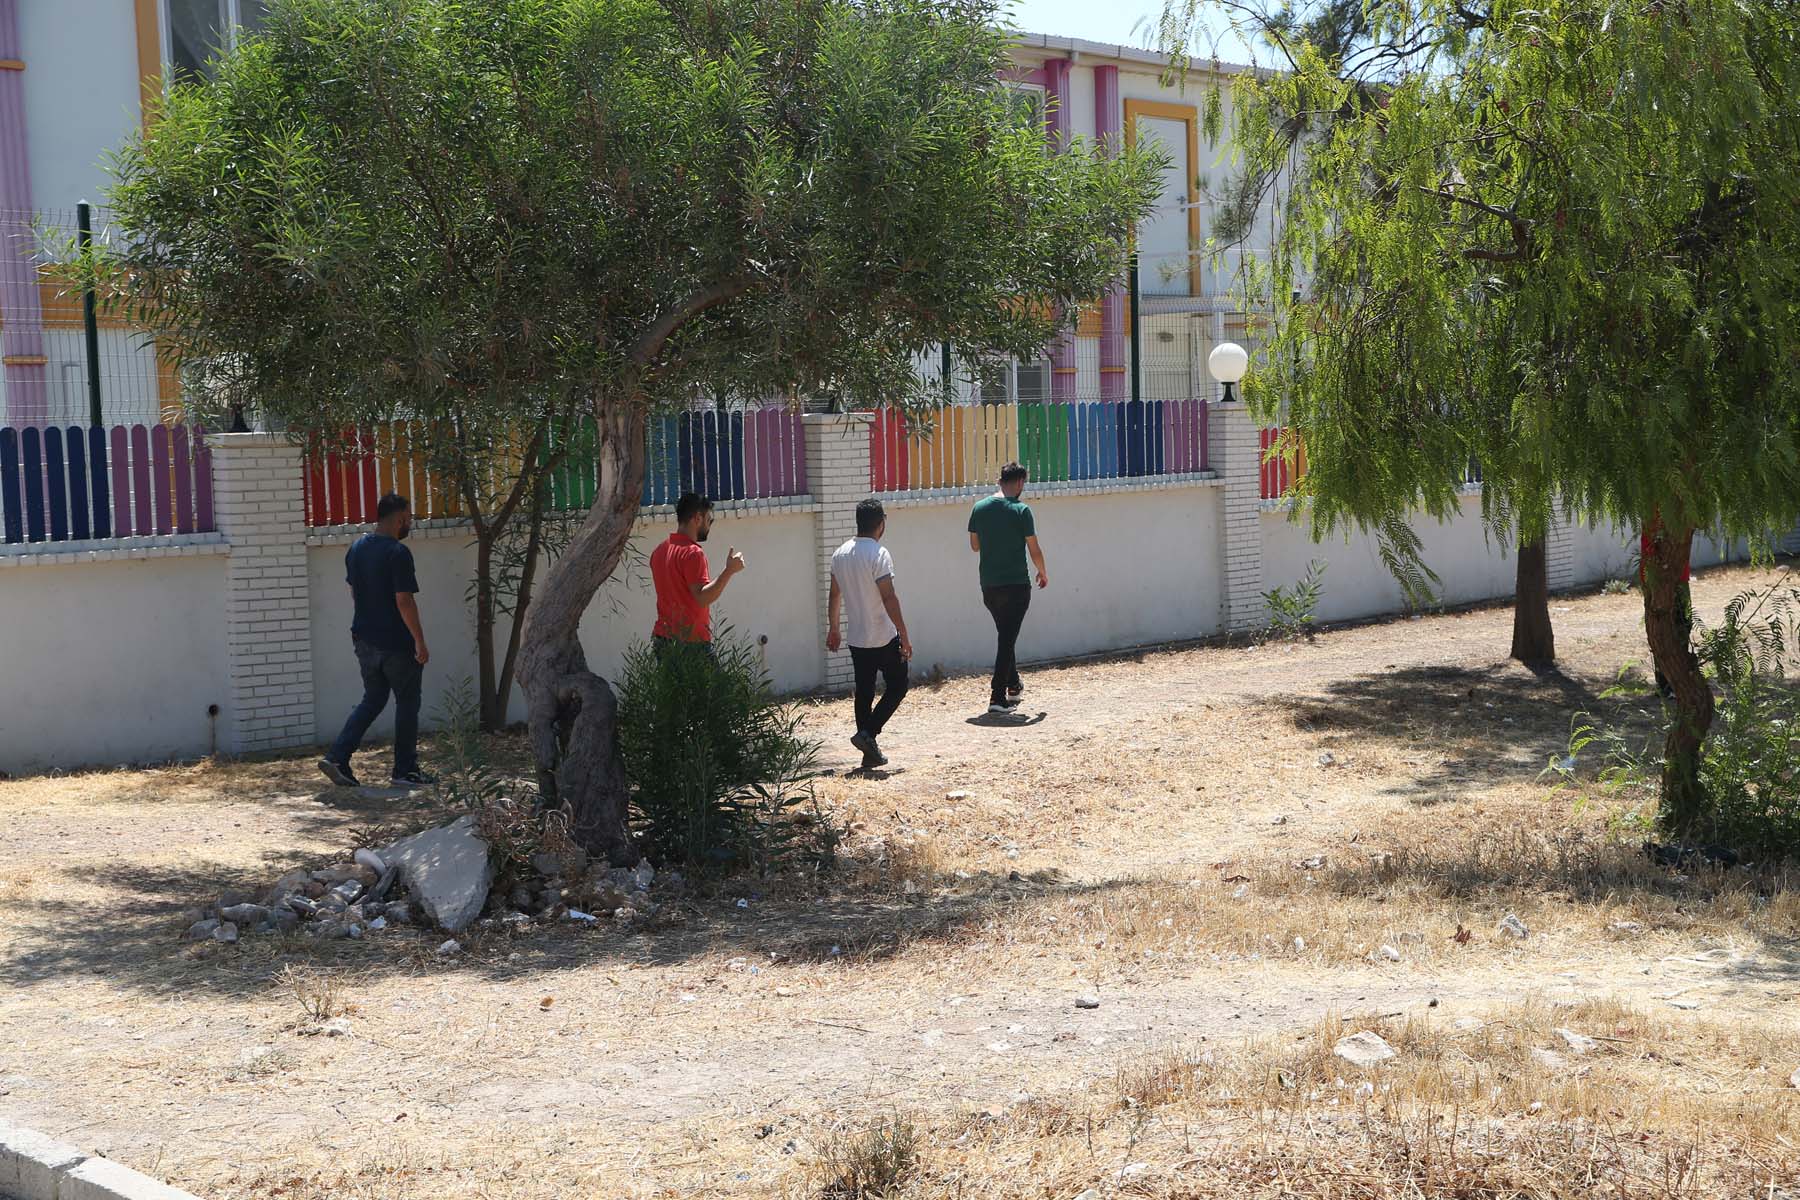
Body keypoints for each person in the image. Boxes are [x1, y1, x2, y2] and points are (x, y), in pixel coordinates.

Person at [318, 493, 432, 788]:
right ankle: (405, 771)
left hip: (364, 639)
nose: (410, 523)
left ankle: (337, 757)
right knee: (407, 703)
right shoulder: (398, 553)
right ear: (400, 518)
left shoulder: (356, 548)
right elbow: (404, 600)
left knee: (374, 698)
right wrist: (419, 641)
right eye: (409, 517)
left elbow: (354, 592)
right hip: (396, 643)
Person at [827, 499, 912, 770]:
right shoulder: (878, 553)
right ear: (881, 523)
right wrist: (904, 634)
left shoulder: (840, 554)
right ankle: (869, 734)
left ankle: (869, 752)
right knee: (898, 686)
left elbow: (834, 595)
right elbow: (889, 597)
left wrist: (834, 628)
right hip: (883, 635)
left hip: (857, 637)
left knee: (864, 693)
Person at [968, 462, 1048, 715]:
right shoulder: (1021, 510)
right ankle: (997, 696)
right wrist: (1043, 571)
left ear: (1000, 480)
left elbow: (975, 546)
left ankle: (1013, 685)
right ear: (1020, 482)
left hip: (989, 586)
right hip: (1016, 585)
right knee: (1006, 639)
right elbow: (1034, 549)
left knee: (1006, 636)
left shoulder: (979, 508)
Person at [649, 492, 746, 655]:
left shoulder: (659, 551)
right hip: (691, 644)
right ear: (697, 519)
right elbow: (702, 598)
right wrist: (729, 571)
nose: (709, 526)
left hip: (663, 640)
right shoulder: (693, 553)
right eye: (709, 520)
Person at [1640, 514, 1693, 698]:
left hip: (1678, 579)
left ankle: (1676, 682)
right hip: (1660, 580)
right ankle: (1667, 684)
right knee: (1664, 630)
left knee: (1682, 626)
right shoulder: (1655, 516)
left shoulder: (1678, 514)